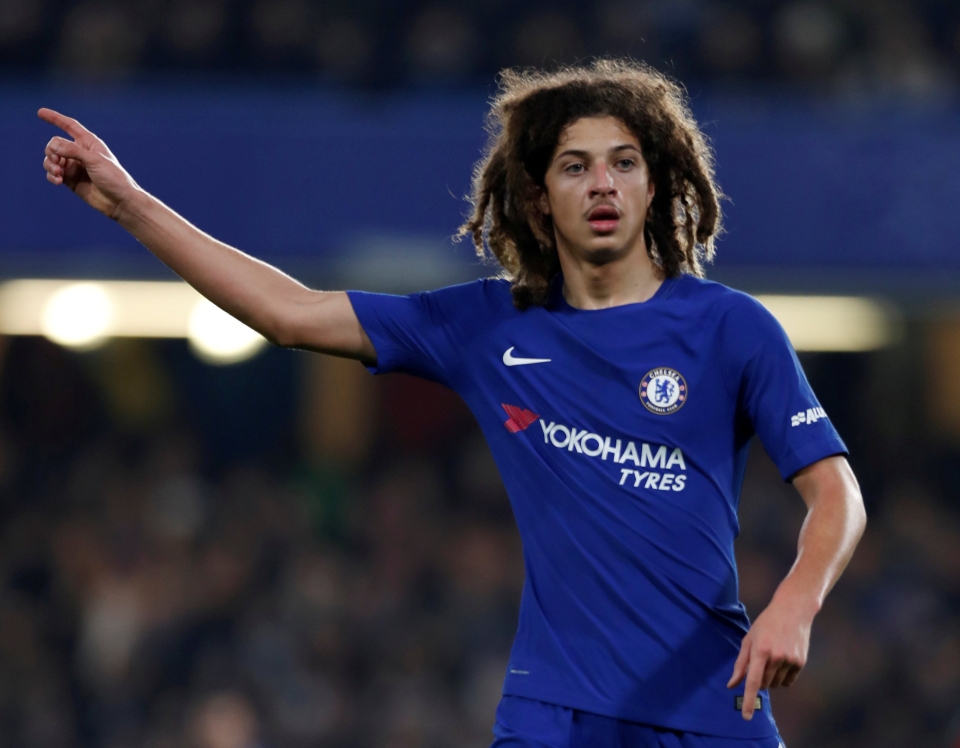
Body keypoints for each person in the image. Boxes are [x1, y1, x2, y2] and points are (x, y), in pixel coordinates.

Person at [40, 59, 866, 748]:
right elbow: (290, 313)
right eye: (574, 166)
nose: (602, 184)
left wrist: (795, 603)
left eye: (624, 163)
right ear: (538, 198)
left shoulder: (731, 329)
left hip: (711, 707)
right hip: (553, 717)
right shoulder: (487, 326)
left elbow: (838, 495)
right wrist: (129, 204)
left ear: (654, 186)